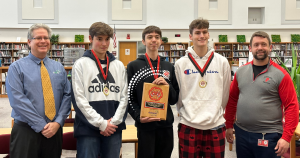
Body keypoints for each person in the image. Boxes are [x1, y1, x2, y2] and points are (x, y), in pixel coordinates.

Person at [225, 31, 299, 158]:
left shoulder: (281, 75)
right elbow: (232, 99)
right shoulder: (240, 72)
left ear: (270, 47)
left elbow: (292, 106)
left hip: (268, 135)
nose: (260, 48)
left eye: (264, 44)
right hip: (242, 133)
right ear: (250, 48)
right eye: (256, 44)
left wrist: (286, 138)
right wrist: (229, 125)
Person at [6, 23, 71, 158]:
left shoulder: (58, 67)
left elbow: (67, 95)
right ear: (29, 42)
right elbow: (18, 101)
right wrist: (41, 125)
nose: (43, 41)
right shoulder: (16, 68)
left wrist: (58, 122)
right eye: (38, 38)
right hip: (26, 131)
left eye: (46, 38)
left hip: (54, 131)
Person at [174, 18, 231, 158]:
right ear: (190, 36)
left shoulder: (222, 62)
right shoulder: (180, 64)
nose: (201, 36)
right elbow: (179, 96)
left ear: (208, 34)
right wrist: (186, 112)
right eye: (197, 33)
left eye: (204, 32)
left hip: (215, 125)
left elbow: (225, 93)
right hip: (188, 124)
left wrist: (216, 109)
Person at [71, 22, 128, 158]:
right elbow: (79, 99)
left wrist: (113, 122)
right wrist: (101, 123)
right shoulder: (80, 64)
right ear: (90, 39)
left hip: (114, 128)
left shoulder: (118, 65)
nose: (104, 43)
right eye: (99, 39)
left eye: (107, 39)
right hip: (88, 129)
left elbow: (125, 97)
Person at [127, 25, 179, 158]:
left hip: (166, 125)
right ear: (143, 41)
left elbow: (174, 99)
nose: (154, 40)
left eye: (157, 37)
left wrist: (166, 84)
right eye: (149, 37)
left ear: (161, 41)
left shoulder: (169, 66)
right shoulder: (133, 66)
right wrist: (138, 117)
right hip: (145, 125)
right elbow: (129, 97)